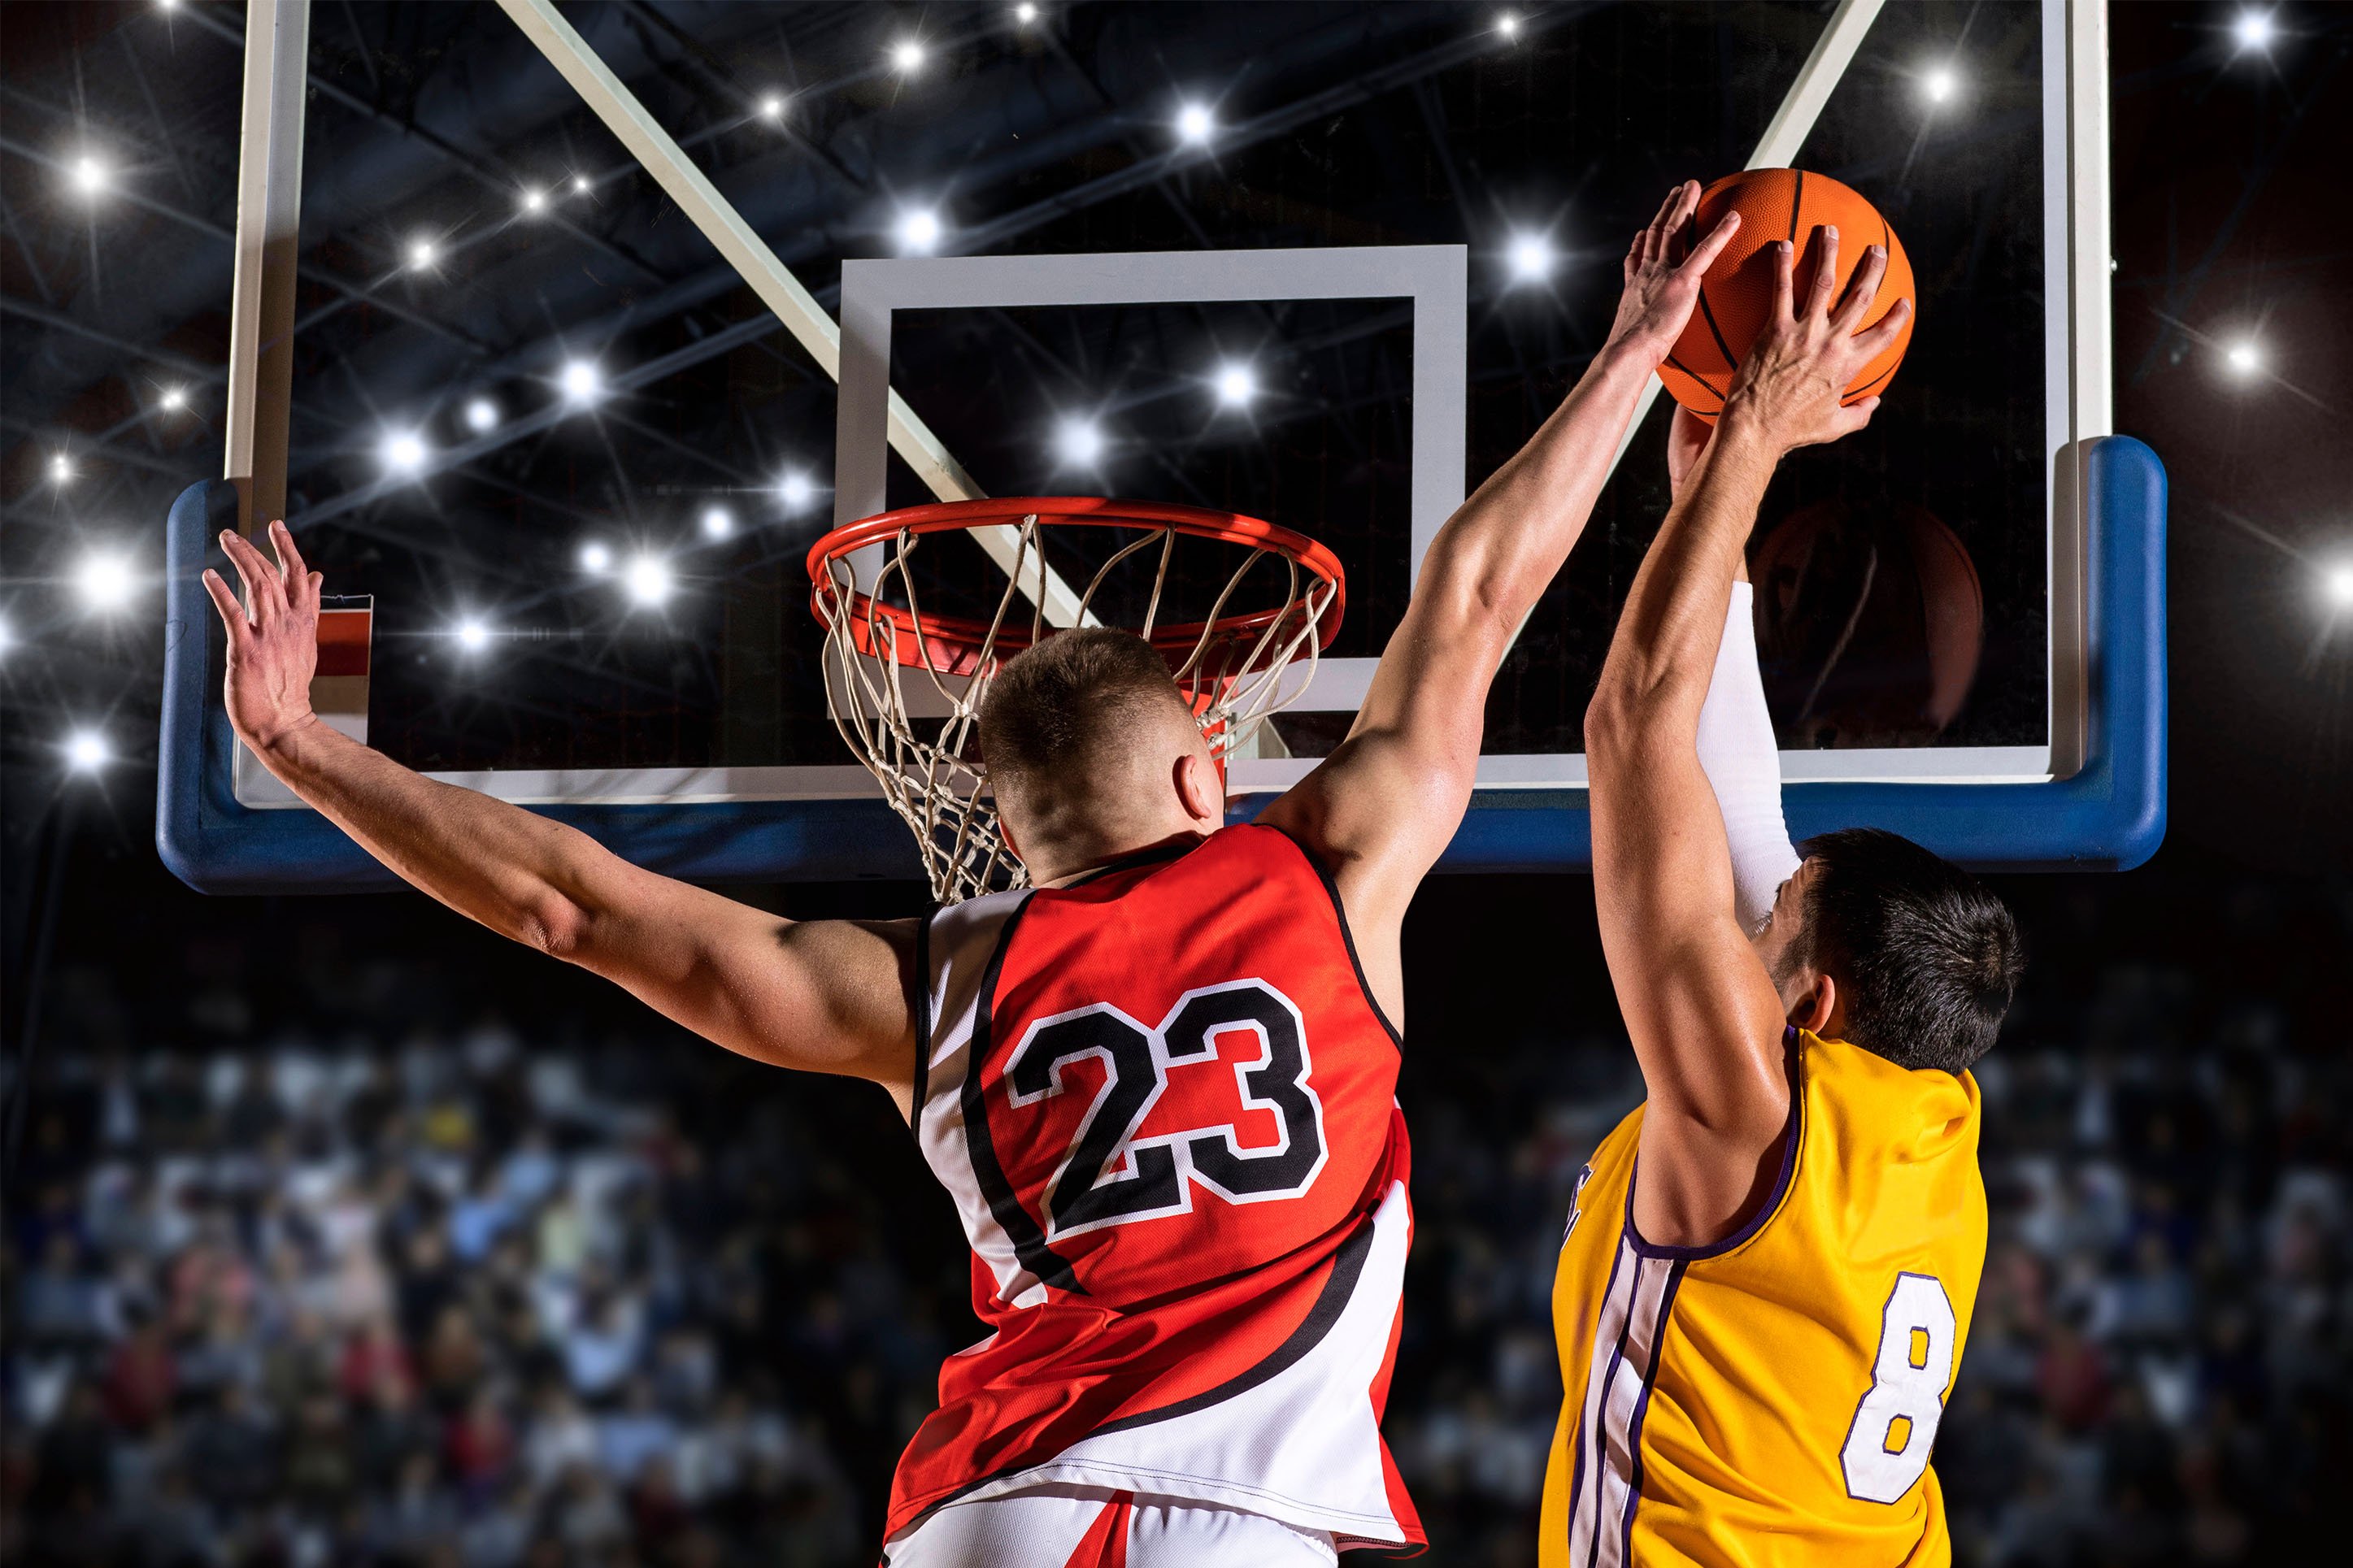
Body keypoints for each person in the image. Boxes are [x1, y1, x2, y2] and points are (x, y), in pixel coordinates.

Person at [201, 187, 1742, 1566]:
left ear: (1001, 832)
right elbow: (1473, 596)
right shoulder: (1328, 873)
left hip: (999, 1507)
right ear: (1210, 771)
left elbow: (571, 905)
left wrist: (303, 747)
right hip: (1248, 1510)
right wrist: (1635, 349)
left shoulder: (927, 979)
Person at [1540, 228, 2025, 1565]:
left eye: (1768, 919)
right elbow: (1738, 797)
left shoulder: (1749, 1111)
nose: (1747, 906)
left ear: (1813, 1000)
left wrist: (1757, 431)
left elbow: (1634, 721)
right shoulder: (1928, 1115)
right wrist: (1722, 516)